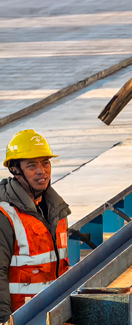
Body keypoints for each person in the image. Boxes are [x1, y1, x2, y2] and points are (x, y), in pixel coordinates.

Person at [0, 130, 69, 320]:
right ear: (15, 170)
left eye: (45, 163)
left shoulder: (57, 209)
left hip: (54, 314)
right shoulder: (5, 214)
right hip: (21, 317)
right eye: (32, 166)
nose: (42, 171)